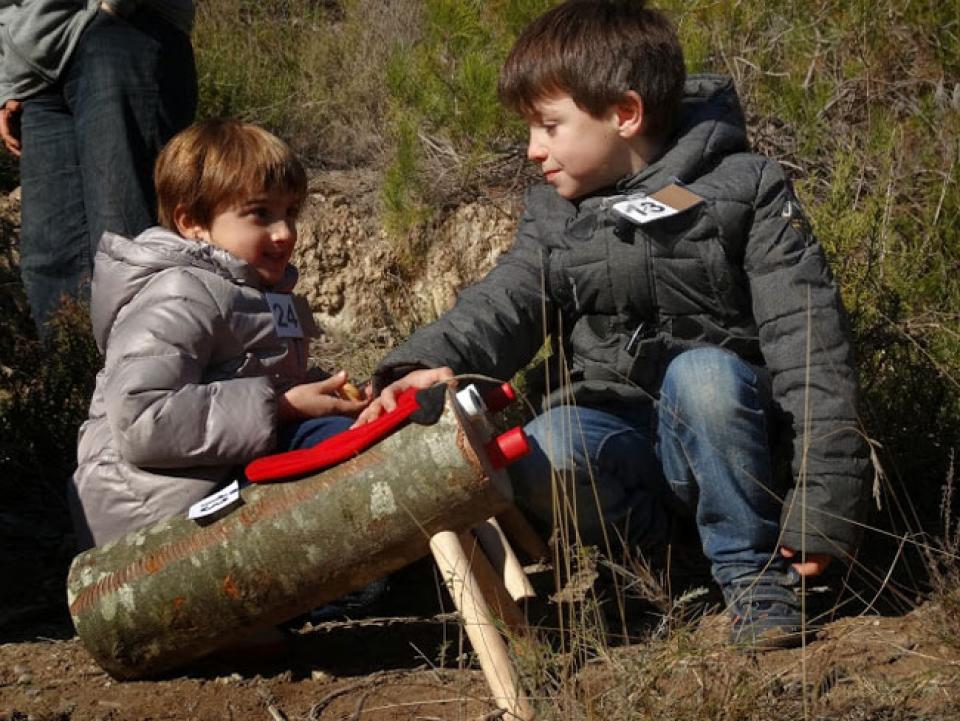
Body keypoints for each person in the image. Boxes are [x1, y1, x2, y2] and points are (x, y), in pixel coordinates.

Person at [358, 0, 870, 648]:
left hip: (730, 444)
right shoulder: (554, 214)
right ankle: (660, 569)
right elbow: (501, 305)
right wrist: (416, 364)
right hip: (620, 439)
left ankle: (755, 576)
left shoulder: (749, 189)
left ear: (624, 114)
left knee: (704, 376)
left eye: (549, 126)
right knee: (544, 443)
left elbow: (811, 349)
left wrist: (821, 509)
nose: (532, 149)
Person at [69, 120, 368, 550]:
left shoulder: (255, 291)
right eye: (260, 214)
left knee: (348, 432)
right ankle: (353, 588)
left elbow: (254, 382)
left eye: (290, 213)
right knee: (335, 449)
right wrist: (282, 407)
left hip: (216, 476)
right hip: (156, 515)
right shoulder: (179, 293)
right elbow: (141, 418)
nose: (284, 233)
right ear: (192, 222)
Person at [0, 0, 197, 336]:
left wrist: (112, 9)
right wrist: (8, 81)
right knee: (50, 259)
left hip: (120, 32)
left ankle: (150, 383)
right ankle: (79, 383)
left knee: (126, 238)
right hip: (37, 79)